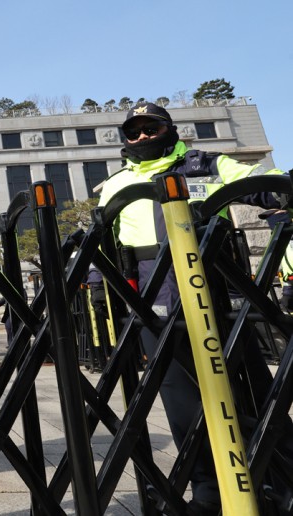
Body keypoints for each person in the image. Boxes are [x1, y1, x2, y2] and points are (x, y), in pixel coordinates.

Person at [90, 102, 291, 514]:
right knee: (181, 403)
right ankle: (207, 491)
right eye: (135, 131)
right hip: (154, 303)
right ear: (125, 139)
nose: (144, 136)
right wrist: (98, 291)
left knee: (252, 389)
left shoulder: (208, 165)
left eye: (152, 127)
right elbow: (102, 246)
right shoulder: (116, 185)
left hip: (218, 295)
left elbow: (264, 183)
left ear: (170, 128)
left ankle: (282, 478)